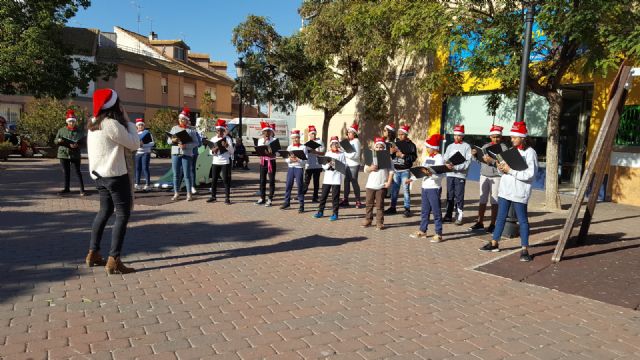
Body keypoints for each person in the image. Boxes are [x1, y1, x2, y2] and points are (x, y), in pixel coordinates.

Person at [86, 88, 141, 274]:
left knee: (104, 212)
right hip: (115, 175)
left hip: (99, 176)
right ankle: (114, 259)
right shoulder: (111, 124)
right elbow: (134, 144)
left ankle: (93, 253)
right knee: (122, 215)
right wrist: (128, 121)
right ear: (115, 105)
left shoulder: (93, 123)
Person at [480, 121, 538, 262]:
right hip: (505, 190)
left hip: (519, 191)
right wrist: (500, 168)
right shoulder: (509, 152)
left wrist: (510, 171)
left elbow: (530, 175)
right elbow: (504, 171)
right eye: (511, 137)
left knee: (522, 221)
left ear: (522, 138)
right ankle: (494, 243)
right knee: (500, 217)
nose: (512, 140)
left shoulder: (531, 153)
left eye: (514, 137)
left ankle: (524, 249)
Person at [469, 125, 508, 233]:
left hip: (496, 177)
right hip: (484, 175)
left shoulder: (503, 148)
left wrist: (491, 161)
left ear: (501, 137)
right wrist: (475, 156)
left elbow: (504, 164)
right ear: (490, 136)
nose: (496, 139)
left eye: (498, 137)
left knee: (494, 201)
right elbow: (481, 161)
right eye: (493, 136)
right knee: (482, 200)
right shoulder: (485, 146)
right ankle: (480, 222)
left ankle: (493, 224)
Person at [408, 134, 445, 243]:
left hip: (434, 188)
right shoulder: (427, 158)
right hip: (425, 187)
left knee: (436, 211)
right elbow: (421, 171)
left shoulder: (439, 158)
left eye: (428, 147)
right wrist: (412, 178)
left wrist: (429, 174)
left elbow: (440, 175)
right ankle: (423, 231)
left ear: (434, 147)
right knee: (424, 211)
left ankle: (438, 233)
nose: (427, 149)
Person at [362, 136, 394, 230]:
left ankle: (379, 222)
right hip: (370, 185)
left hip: (381, 185)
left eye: (381, 147)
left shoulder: (388, 158)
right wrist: (370, 168)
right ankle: (368, 219)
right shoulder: (371, 157)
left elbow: (391, 171)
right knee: (369, 204)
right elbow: (365, 170)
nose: (379, 149)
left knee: (380, 205)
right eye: (377, 147)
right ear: (374, 148)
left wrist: (389, 182)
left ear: (384, 148)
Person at [385, 124, 418, 217]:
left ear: (406, 134)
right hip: (396, 170)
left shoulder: (411, 145)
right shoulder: (396, 143)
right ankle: (393, 207)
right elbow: (391, 156)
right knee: (394, 190)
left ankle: (407, 209)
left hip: (405, 170)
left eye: (402, 134)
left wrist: (403, 156)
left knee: (406, 190)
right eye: (399, 134)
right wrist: (391, 153)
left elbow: (413, 158)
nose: (400, 136)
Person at [443, 124, 472, 225]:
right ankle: (448, 215)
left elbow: (467, 163)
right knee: (449, 195)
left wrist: (456, 167)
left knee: (459, 196)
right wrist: (447, 163)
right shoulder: (450, 146)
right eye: (455, 135)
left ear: (463, 136)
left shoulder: (467, 147)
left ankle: (459, 216)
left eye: (459, 135)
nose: (456, 137)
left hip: (460, 175)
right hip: (450, 174)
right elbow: (445, 157)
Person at [168, 107, 199, 201]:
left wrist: (186, 146)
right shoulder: (174, 128)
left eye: (183, 119)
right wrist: (173, 140)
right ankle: (176, 193)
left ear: (187, 120)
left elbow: (196, 143)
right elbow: (169, 141)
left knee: (187, 175)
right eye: (180, 119)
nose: (181, 121)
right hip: (175, 154)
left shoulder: (191, 130)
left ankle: (189, 194)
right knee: (176, 174)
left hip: (186, 154)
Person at [55, 109, 86, 196]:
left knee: (77, 171)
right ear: (67, 122)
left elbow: (84, 142)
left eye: (73, 121)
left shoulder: (79, 131)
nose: (71, 123)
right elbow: (55, 140)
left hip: (75, 154)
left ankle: (82, 189)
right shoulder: (61, 130)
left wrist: (78, 145)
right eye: (70, 121)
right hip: (63, 154)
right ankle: (66, 188)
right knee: (66, 172)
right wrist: (59, 140)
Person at [313, 136, 346, 221]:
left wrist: (335, 165)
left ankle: (335, 213)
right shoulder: (328, 153)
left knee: (335, 197)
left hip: (336, 178)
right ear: (330, 145)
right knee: (323, 196)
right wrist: (328, 165)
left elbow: (344, 166)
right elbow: (324, 165)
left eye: (336, 144)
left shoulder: (342, 154)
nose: (334, 145)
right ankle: (320, 211)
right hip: (327, 178)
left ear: (338, 145)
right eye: (333, 144)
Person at [207, 119, 234, 204]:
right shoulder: (213, 138)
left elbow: (232, 152)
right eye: (218, 130)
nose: (219, 132)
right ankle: (213, 196)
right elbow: (210, 152)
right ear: (216, 130)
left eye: (221, 130)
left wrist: (227, 146)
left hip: (225, 162)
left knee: (226, 180)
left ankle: (227, 197)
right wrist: (213, 151)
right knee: (214, 179)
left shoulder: (228, 139)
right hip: (215, 162)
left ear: (223, 130)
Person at [281, 129, 308, 213]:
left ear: (299, 138)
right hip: (291, 168)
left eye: (297, 138)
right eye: (293, 138)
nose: (295, 139)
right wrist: (290, 159)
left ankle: (301, 204)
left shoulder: (303, 147)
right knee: (288, 185)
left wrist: (298, 160)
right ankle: (287, 202)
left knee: (299, 186)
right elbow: (286, 159)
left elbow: (305, 160)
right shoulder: (290, 147)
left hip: (299, 168)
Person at [341, 122, 363, 208]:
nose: (348, 134)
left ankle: (358, 200)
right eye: (348, 132)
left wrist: (345, 154)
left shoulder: (356, 141)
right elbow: (345, 151)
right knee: (346, 181)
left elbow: (356, 155)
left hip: (354, 164)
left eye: (350, 132)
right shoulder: (348, 141)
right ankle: (345, 199)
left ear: (354, 133)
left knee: (354, 181)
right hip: (347, 164)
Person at [256, 122, 278, 207]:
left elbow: (278, 153)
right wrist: (264, 142)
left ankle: (270, 199)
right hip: (263, 162)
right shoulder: (260, 140)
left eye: (268, 131)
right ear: (263, 132)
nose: (267, 133)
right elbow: (259, 151)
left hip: (271, 162)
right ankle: (262, 198)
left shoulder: (274, 140)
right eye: (265, 131)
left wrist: (273, 153)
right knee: (262, 180)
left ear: (271, 132)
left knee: (271, 181)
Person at [303, 125, 325, 203]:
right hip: (309, 165)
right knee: (306, 181)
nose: (313, 135)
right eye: (311, 134)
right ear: (309, 135)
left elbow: (323, 153)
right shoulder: (306, 143)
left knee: (316, 182)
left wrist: (315, 152)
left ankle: (315, 197)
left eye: (314, 134)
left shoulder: (320, 141)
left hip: (317, 165)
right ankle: (301, 195)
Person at [134, 118, 154, 191]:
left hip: (146, 153)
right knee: (137, 169)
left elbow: (152, 143)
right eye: (139, 125)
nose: (140, 126)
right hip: (138, 153)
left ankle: (147, 184)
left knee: (145, 168)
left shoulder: (147, 133)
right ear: (137, 126)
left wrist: (144, 145)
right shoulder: (135, 133)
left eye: (142, 125)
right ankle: (137, 184)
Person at [190, 119, 204, 194]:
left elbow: (199, 144)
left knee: (192, 169)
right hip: (183, 153)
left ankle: (192, 186)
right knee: (181, 170)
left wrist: (192, 143)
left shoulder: (194, 132)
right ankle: (178, 186)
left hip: (193, 153)